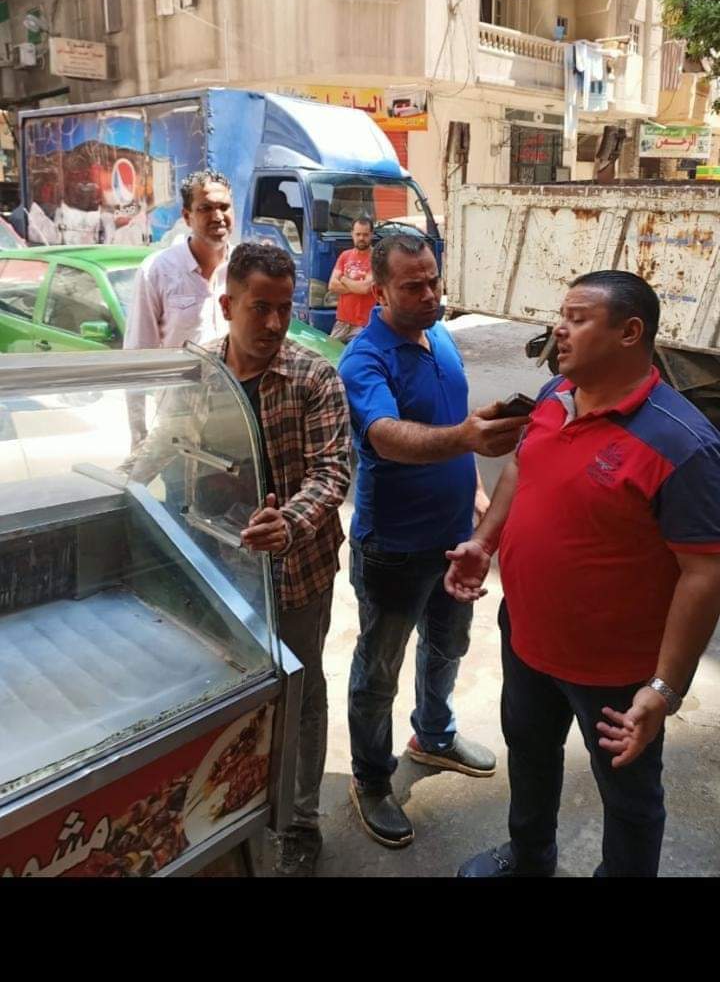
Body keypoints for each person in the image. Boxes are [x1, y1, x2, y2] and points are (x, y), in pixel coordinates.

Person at [446, 270, 720, 879]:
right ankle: (530, 858)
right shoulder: (555, 396)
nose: (558, 331)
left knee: (629, 796)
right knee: (530, 754)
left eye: (576, 318)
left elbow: (704, 573)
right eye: (560, 316)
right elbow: (522, 466)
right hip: (528, 635)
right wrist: (484, 543)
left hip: (614, 668)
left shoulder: (683, 444)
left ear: (629, 332)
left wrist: (665, 689)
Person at [127, 242, 351, 878]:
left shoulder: (313, 377)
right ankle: (233, 805)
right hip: (215, 568)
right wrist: (119, 485)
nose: (275, 324)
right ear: (227, 306)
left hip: (296, 573)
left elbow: (333, 471)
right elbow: (163, 442)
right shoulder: (198, 370)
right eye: (260, 308)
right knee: (228, 687)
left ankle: (300, 821)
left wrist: (290, 521)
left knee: (300, 693)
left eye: (284, 308)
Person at [338, 232, 529, 848]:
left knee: (448, 644)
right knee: (379, 669)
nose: (428, 295)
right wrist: (468, 439)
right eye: (412, 286)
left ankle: (434, 735)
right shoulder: (365, 359)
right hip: (393, 546)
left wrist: (474, 490)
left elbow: (451, 422)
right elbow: (387, 435)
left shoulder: (440, 335)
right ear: (379, 289)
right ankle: (371, 777)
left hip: (453, 537)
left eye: (433, 281)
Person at [124, 168, 233, 351]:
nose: (218, 217)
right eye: (205, 208)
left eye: (224, 207)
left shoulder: (245, 267)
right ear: (187, 217)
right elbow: (139, 350)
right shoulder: (156, 271)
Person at [328, 217, 374, 344]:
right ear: (352, 234)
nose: (361, 238)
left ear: (371, 235)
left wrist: (343, 278)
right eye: (358, 234)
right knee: (329, 352)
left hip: (363, 325)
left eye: (365, 235)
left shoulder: (376, 259)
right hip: (342, 322)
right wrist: (357, 286)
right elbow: (332, 285)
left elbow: (365, 288)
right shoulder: (345, 256)